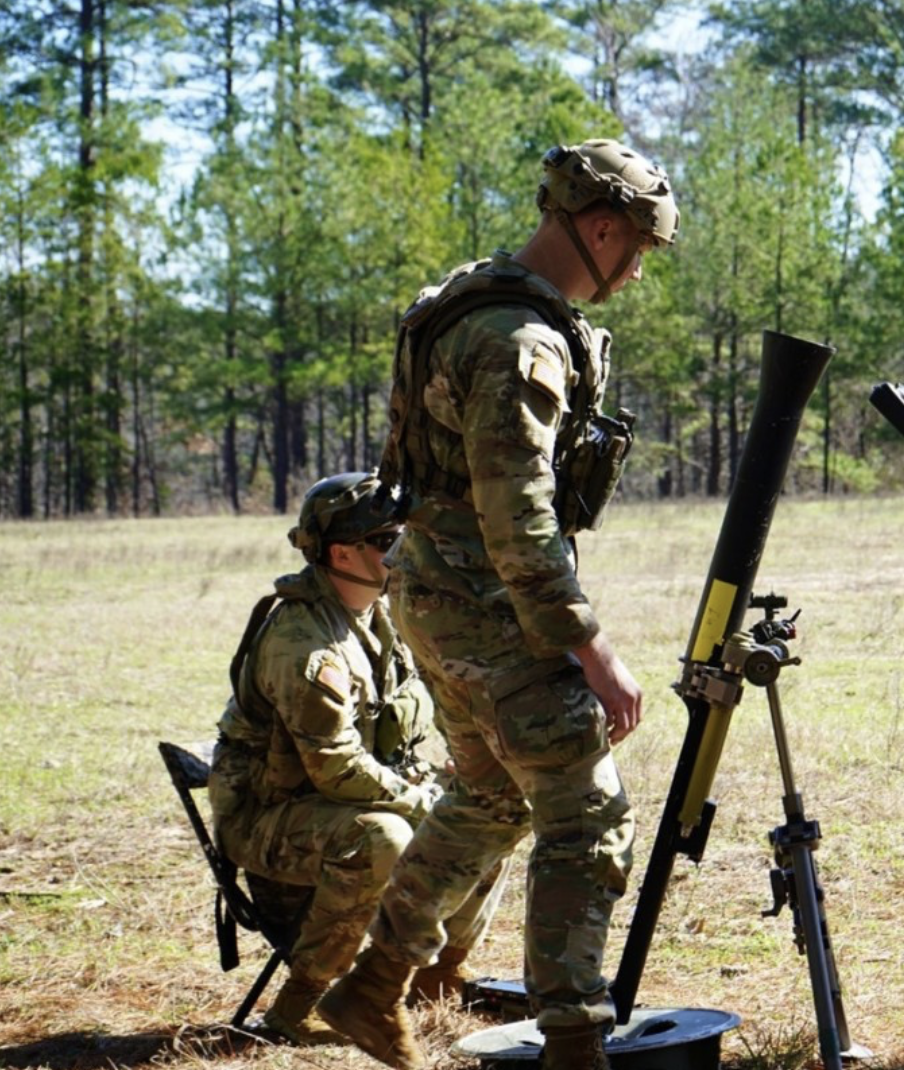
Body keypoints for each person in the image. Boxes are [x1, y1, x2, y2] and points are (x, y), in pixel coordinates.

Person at [318, 139, 678, 1070]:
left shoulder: (469, 300)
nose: (635, 272)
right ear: (598, 228)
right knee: (586, 816)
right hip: (492, 609)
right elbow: (519, 521)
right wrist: (591, 649)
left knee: (485, 797)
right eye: (635, 250)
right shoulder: (522, 343)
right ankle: (574, 1046)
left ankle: (372, 984)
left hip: (433, 599)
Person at [208, 471, 507, 1045]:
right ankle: (300, 1008)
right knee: (383, 839)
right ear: (344, 552)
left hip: (341, 803)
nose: (407, 550)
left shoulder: (383, 614)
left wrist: (455, 777)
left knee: (490, 811)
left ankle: (434, 979)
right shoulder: (306, 643)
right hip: (272, 818)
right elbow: (335, 766)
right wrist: (420, 800)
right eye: (391, 539)